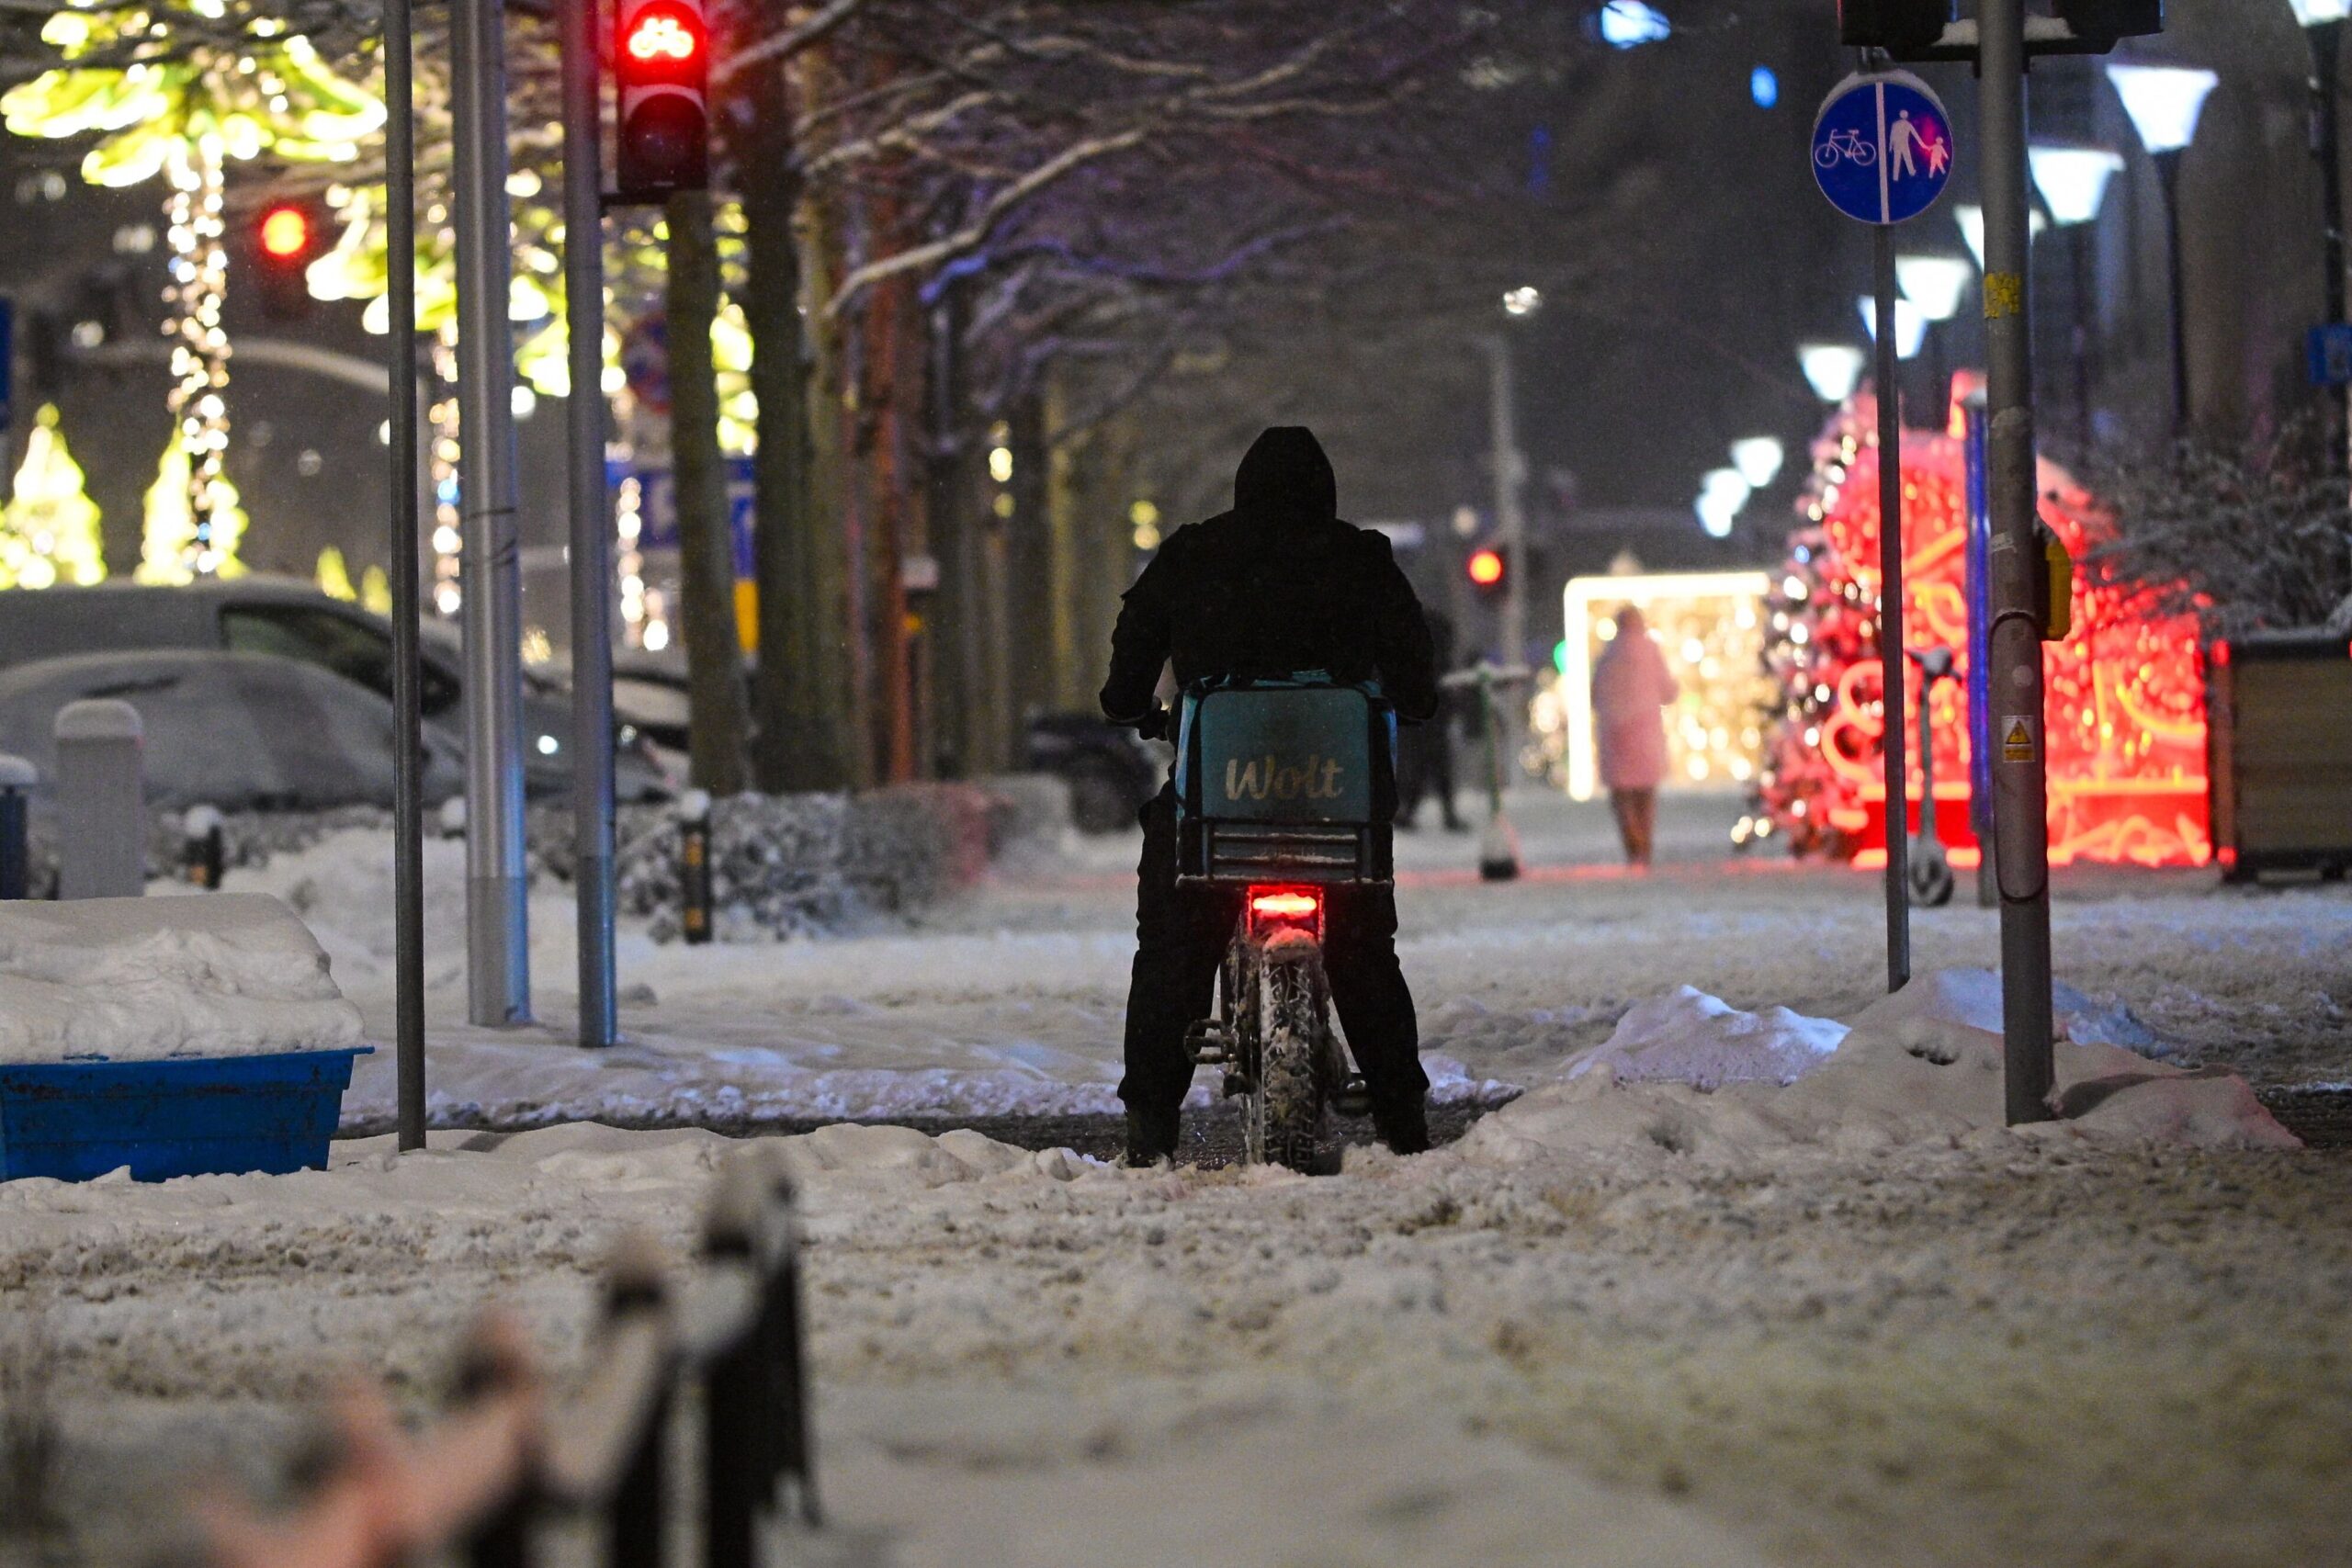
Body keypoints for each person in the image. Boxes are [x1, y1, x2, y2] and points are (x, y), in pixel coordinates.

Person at [1100, 426, 1440, 1166]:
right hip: (1338, 809)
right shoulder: (1362, 559)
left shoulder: (1194, 554)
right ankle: (1403, 1118)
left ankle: (1151, 1127)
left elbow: (1132, 652)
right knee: (1365, 955)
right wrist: (1406, 700)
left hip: (1218, 807)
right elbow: (1417, 681)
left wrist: (1128, 703)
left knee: (1171, 953)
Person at [1590, 605, 1677, 867]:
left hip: (1615, 735)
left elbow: (1595, 695)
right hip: (1645, 734)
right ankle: (1644, 845)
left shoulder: (1607, 655)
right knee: (1645, 796)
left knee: (1622, 796)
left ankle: (1632, 843)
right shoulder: (1651, 651)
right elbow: (1668, 690)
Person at [1394, 605, 1467, 832]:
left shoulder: (1411, 651)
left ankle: (1410, 810)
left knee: (1418, 763)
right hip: (1435, 714)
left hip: (1417, 714)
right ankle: (1443, 812)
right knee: (1436, 763)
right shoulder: (1439, 653)